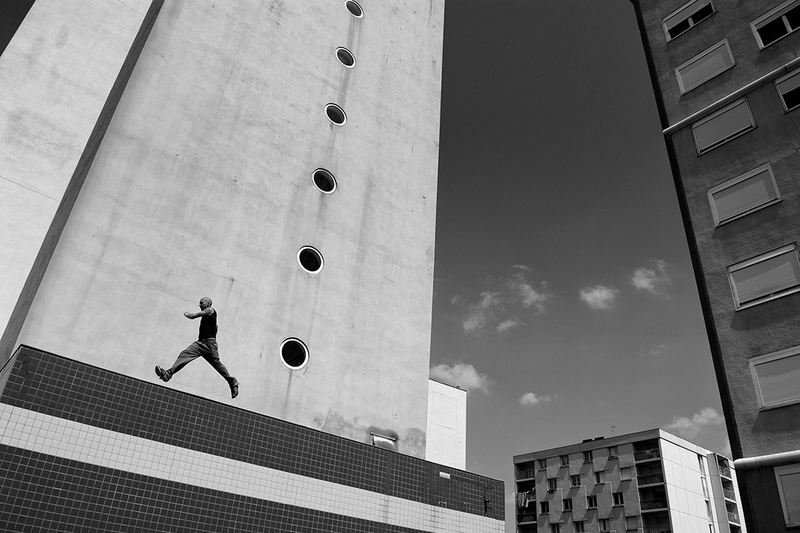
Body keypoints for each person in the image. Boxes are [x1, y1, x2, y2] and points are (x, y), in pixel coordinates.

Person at [155, 297, 239, 398]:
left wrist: (188, 314)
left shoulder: (210, 310)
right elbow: (216, 328)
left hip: (209, 345)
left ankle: (232, 382)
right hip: (200, 344)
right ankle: (168, 374)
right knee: (184, 354)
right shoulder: (208, 315)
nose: (199, 305)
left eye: (201, 303)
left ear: (208, 303)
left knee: (217, 365)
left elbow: (194, 316)